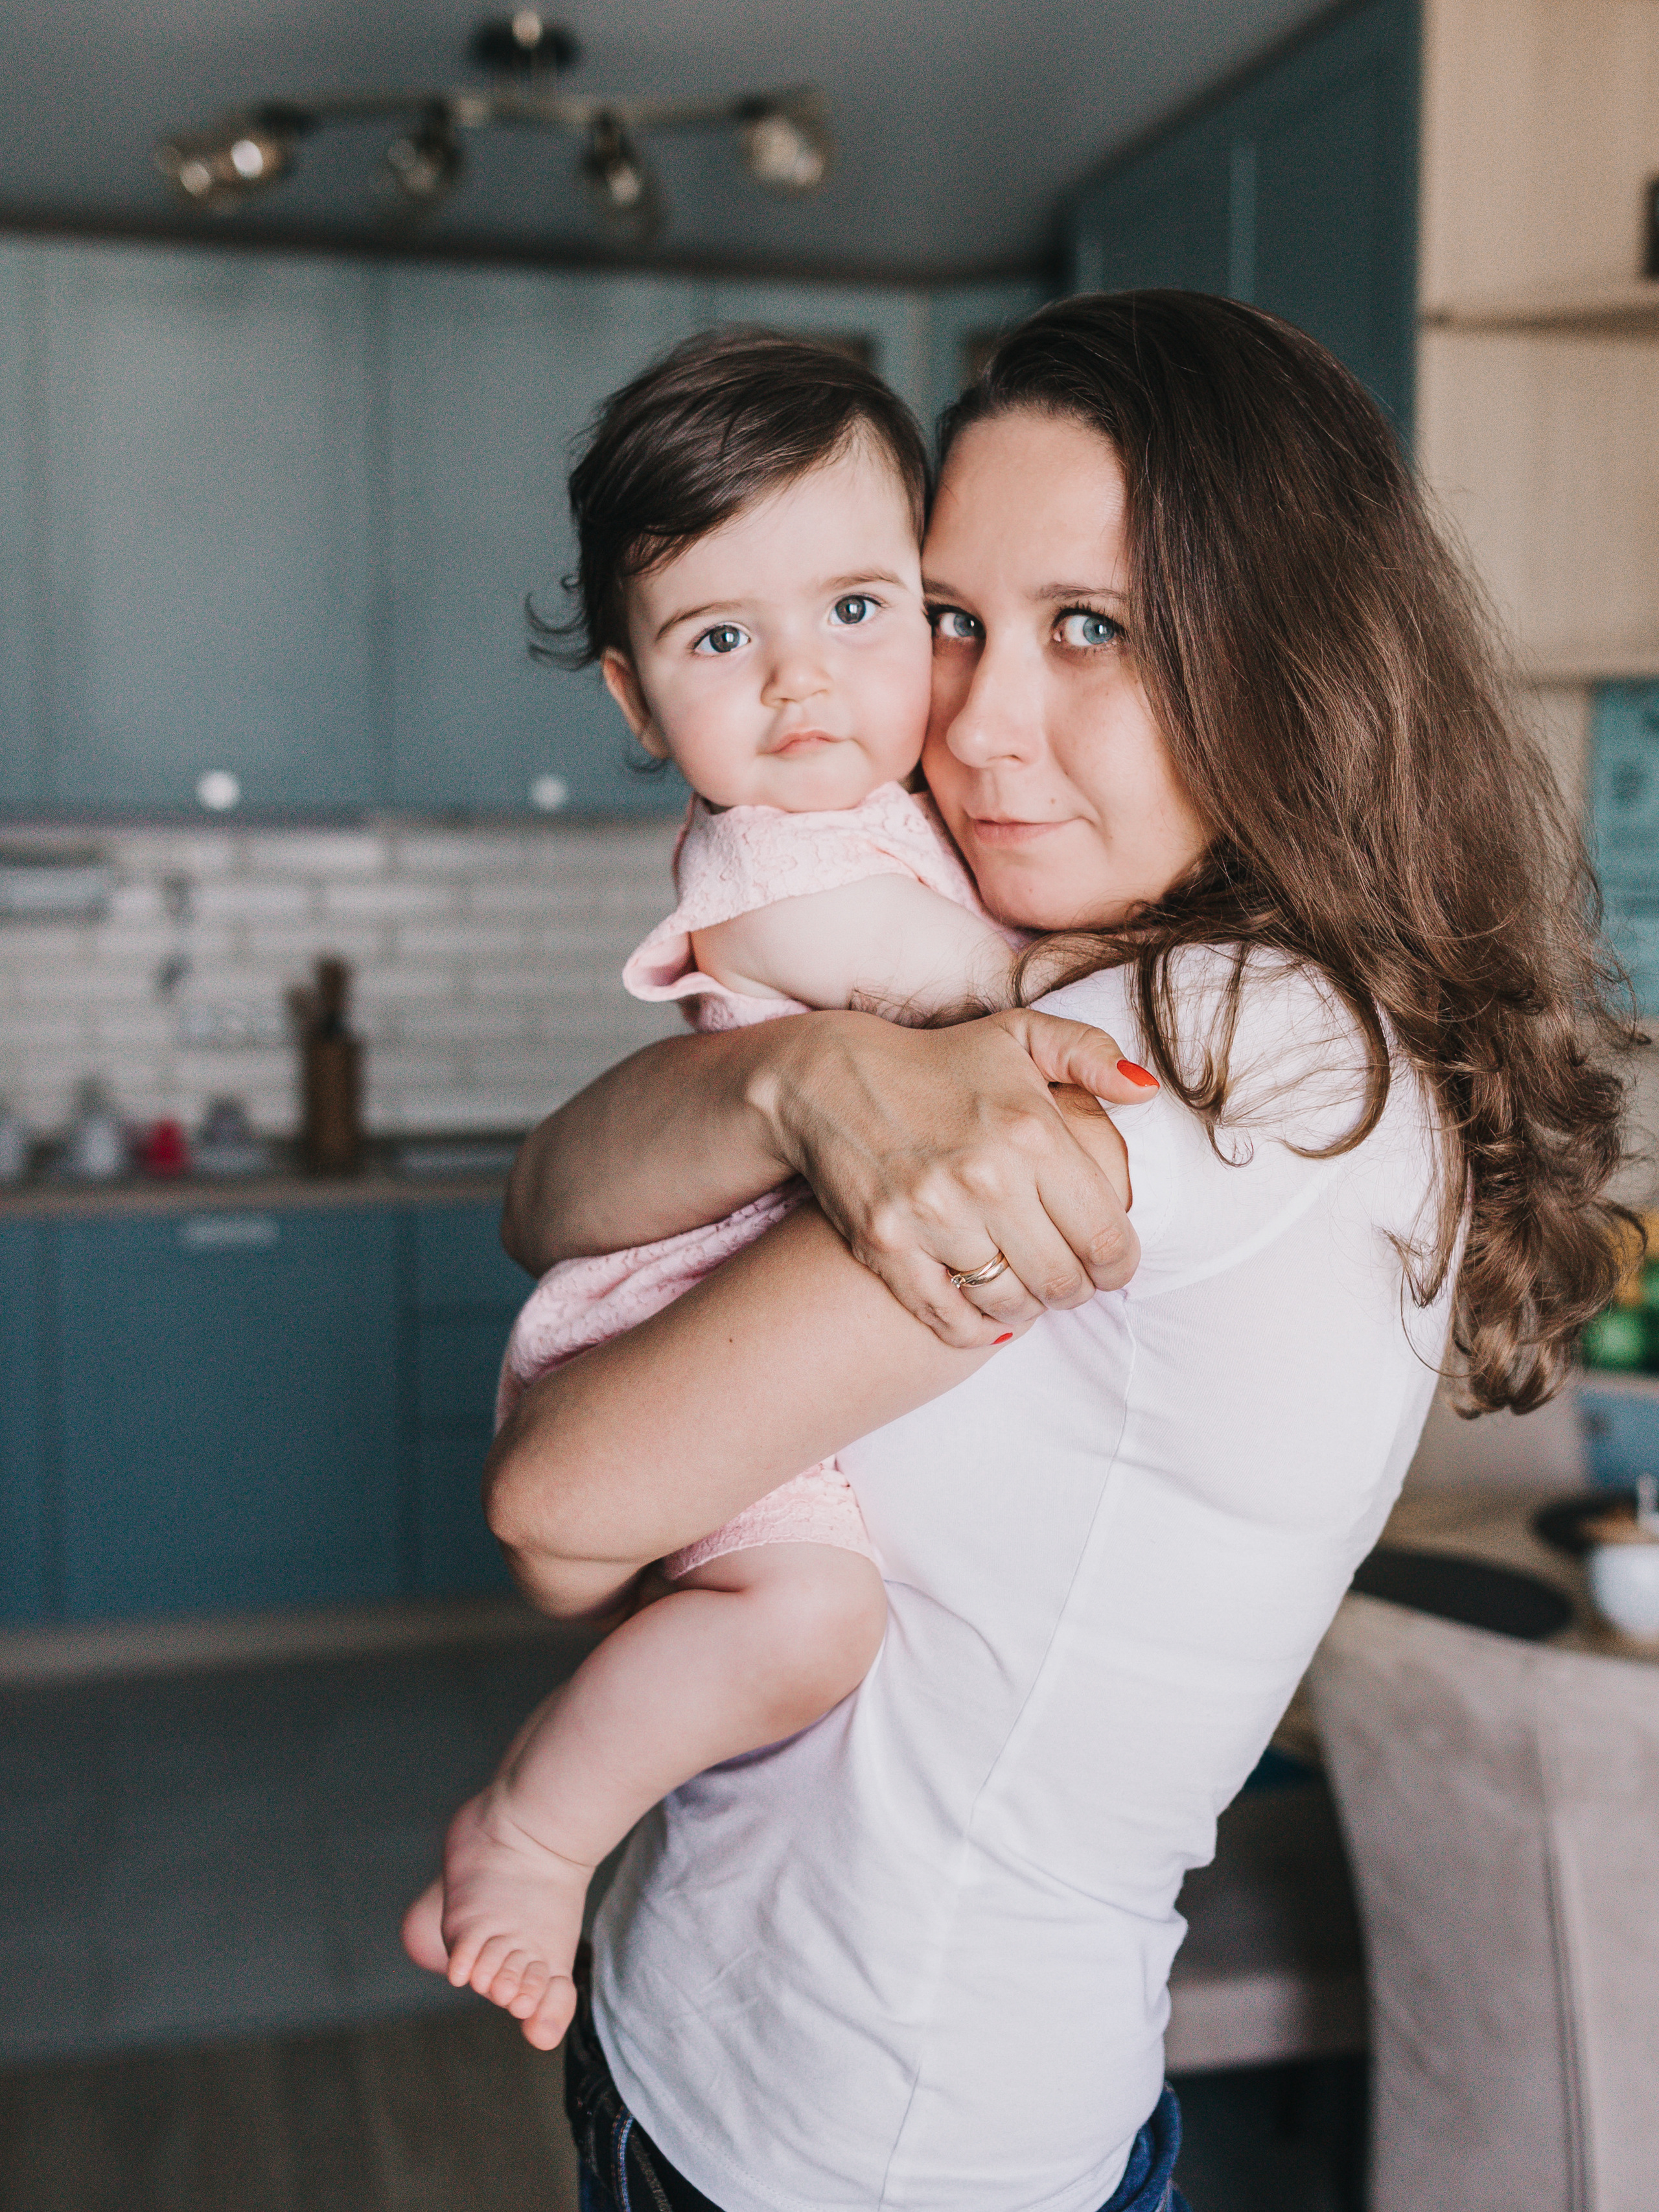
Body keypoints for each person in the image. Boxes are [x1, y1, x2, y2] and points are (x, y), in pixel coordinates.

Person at [489, 294, 1636, 2212]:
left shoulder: (1220, 1057)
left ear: (1284, 656)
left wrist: (812, 1082)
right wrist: (803, 1089)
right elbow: (552, 1185)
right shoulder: (1070, 974)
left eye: (1090, 629)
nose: (980, 725)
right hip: (725, 2028)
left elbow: (558, 1502)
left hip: (858, 2147)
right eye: (953, 622)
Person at [402, 332, 1152, 2053]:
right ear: (632, 696)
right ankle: (529, 1834)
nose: (803, 683)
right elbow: (924, 967)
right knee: (808, 1616)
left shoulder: (904, 804)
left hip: (751, 1305)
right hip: (680, 1310)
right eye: (723, 638)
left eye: (864, 612)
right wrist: (1101, 967)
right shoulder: (778, 852)